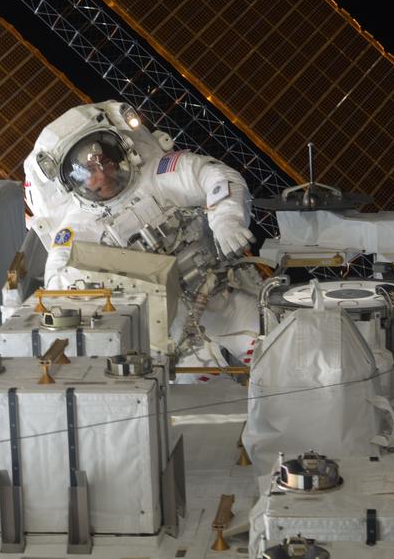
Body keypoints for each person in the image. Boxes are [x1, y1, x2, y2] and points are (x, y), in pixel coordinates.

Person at [24, 101, 260, 374]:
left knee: (275, 349)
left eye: (106, 162)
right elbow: (58, 279)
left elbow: (215, 176)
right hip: (167, 332)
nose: (101, 175)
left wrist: (226, 220)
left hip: (222, 296)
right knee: (199, 396)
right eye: (88, 173)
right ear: (71, 183)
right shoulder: (76, 227)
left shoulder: (158, 175)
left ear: (124, 152)